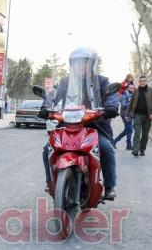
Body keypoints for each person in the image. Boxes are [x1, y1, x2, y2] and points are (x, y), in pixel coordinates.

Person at [39, 47, 119, 200]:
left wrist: (111, 107)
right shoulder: (64, 82)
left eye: (85, 63)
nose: (81, 66)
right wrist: (46, 108)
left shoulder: (102, 81)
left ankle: (109, 186)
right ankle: (50, 183)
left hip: (94, 126)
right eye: (77, 63)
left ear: (92, 64)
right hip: (67, 125)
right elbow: (52, 96)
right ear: (72, 65)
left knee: (106, 148)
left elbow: (112, 98)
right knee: (47, 149)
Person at [126, 75, 152, 157]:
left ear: (146, 81)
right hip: (137, 115)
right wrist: (127, 114)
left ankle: (142, 150)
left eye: (144, 81)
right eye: (141, 81)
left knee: (145, 135)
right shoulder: (135, 91)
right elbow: (130, 104)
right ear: (139, 82)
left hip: (148, 116)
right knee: (137, 133)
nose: (142, 82)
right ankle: (135, 150)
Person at [113, 82, 135, 150]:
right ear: (127, 88)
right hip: (125, 114)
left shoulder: (132, 94)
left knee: (127, 130)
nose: (132, 89)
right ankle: (128, 145)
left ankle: (114, 141)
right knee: (130, 130)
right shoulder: (125, 94)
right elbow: (123, 105)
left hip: (130, 114)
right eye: (130, 88)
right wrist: (131, 103)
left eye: (133, 88)